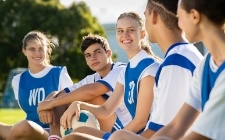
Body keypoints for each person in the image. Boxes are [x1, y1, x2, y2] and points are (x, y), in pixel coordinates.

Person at [107, 0, 204, 139]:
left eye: (145, 16)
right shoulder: (183, 54)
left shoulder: (176, 62)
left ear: (153, 16)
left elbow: (163, 132)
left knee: (118, 136)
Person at [60, 12, 161, 140]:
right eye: (120, 31)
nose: (125, 35)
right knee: (79, 131)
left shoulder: (149, 69)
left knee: (74, 139)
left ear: (142, 34)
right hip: (128, 135)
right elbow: (106, 110)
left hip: (148, 136)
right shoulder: (126, 71)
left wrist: (115, 137)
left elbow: (141, 121)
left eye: (131, 30)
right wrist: (78, 104)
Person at [149, 0, 225, 139]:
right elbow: (176, 126)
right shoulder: (206, 64)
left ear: (195, 16)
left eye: (179, 17)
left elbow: (201, 136)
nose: (179, 24)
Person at [37, 34, 128, 133]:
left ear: (109, 53)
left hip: (126, 127)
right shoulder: (92, 78)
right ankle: (55, 137)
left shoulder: (121, 69)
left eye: (97, 52)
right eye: (88, 55)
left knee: (88, 96)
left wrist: (51, 103)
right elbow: (61, 93)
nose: (93, 58)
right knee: (63, 98)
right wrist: (44, 106)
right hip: (108, 123)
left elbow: (92, 91)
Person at [0, 30, 73, 140]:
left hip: (54, 132)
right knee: (22, 127)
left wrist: (49, 106)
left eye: (41, 49)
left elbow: (71, 102)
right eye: (32, 49)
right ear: (24, 51)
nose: (37, 53)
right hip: (30, 129)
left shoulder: (59, 73)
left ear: (47, 50)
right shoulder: (18, 80)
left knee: (24, 126)